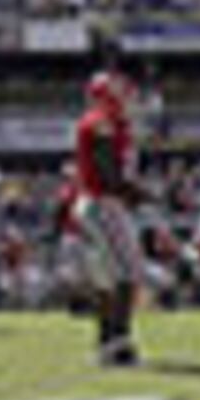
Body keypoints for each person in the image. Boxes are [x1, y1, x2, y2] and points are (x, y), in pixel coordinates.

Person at [62, 55, 150, 364]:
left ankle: (109, 342)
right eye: (122, 90)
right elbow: (107, 171)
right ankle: (118, 342)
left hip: (104, 202)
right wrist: (137, 193)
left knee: (111, 278)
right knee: (125, 274)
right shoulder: (102, 121)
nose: (129, 95)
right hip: (103, 202)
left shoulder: (113, 121)